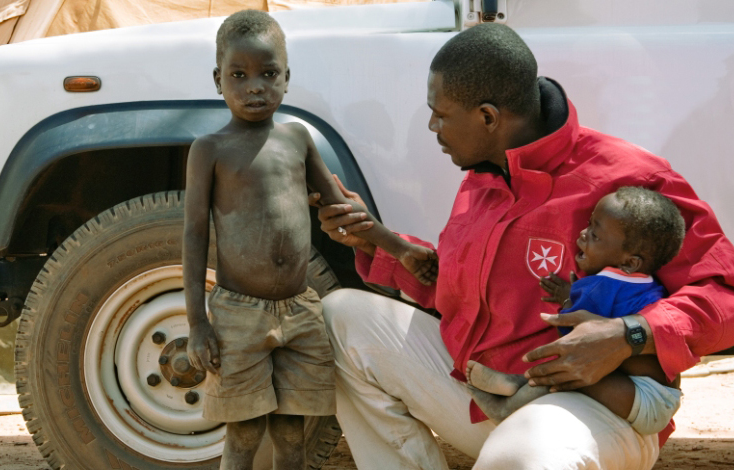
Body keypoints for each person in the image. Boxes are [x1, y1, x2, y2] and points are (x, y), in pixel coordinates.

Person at [309, 23, 734, 469]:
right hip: (491, 395)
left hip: (592, 408)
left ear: (488, 117)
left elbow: (724, 294)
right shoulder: (483, 175)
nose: (432, 126)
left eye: (441, 113)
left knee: (517, 456)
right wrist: (379, 242)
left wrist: (629, 335)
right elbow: (461, 293)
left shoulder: (631, 179)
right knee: (342, 316)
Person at [182, 10, 437, 470]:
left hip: (300, 309)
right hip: (239, 314)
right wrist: (198, 322)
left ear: (287, 78)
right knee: (243, 433)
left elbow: (342, 208)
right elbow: (195, 234)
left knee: (291, 432)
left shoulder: (297, 138)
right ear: (218, 79)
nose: (255, 86)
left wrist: (400, 248)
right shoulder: (209, 150)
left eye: (268, 74)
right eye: (239, 75)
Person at [465, 186, 685, 436]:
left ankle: (508, 404)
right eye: (589, 225)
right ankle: (518, 383)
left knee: (568, 372)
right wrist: (572, 294)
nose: (582, 235)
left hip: (638, 397)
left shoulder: (598, 287)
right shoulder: (649, 286)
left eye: (595, 235)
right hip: (665, 394)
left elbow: (577, 337)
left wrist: (568, 303)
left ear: (629, 262)